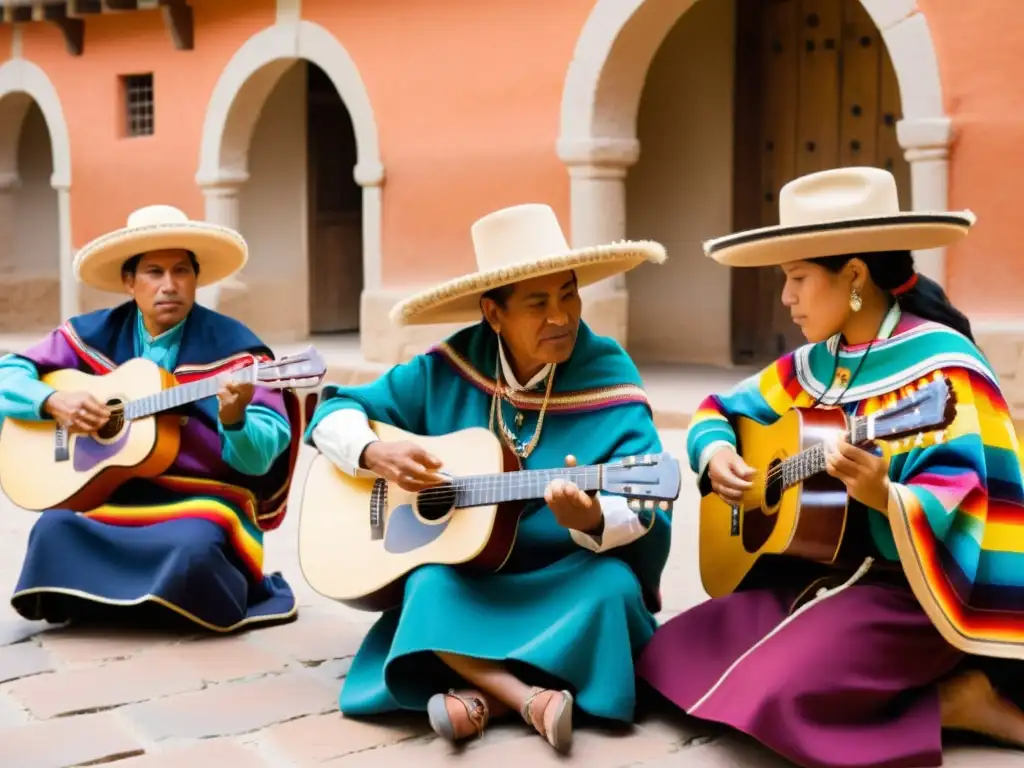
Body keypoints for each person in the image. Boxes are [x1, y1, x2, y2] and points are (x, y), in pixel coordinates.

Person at [636, 166, 1024, 768]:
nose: (785, 297)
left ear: (854, 277)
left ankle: (965, 703)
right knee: (667, 655)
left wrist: (884, 496)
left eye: (796, 278)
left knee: (781, 696)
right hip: (818, 577)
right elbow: (718, 410)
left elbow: (968, 498)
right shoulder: (814, 363)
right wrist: (716, 455)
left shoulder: (944, 367)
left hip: (911, 596)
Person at [305, 203, 671, 752]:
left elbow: (650, 506)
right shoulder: (449, 365)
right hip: (469, 576)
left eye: (568, 294)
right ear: (493, 313)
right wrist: (375, 451)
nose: (562, 317)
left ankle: (486, 698)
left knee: (614, 590)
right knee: (425, 584)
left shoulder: (607, 370)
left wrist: (593, 517)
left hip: (563, 575)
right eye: (538, 303)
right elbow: (332, 413)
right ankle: (531, 699)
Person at [3, 205, 302, 633]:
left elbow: (259, 461)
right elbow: (7, 375)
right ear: (129, 282)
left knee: (195, 547)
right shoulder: (89, 334)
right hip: (111, 492)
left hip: (200, 501)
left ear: (195, 280)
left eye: (181, 271)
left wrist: (234, 420)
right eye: (154, 272)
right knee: (53, 529)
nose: (169, 286)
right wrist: (53, 401)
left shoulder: (239, 351)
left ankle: (118, 599)